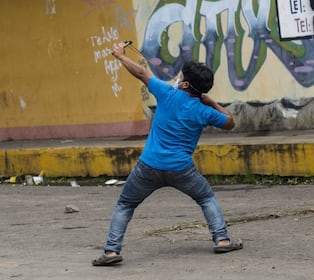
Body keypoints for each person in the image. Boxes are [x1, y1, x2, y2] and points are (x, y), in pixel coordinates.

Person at [92, 42, 243, 266]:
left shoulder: (167, 94)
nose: (177, 77)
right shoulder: (204, 111)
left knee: (125, 205)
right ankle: (221, 240)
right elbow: (230, 122)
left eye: (180, 75)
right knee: (206, 198)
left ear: (184, 84)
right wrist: (210, 102)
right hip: (181, 169)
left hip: (148, 166)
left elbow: (141, 72)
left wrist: (120, 56)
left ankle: (112, 252)